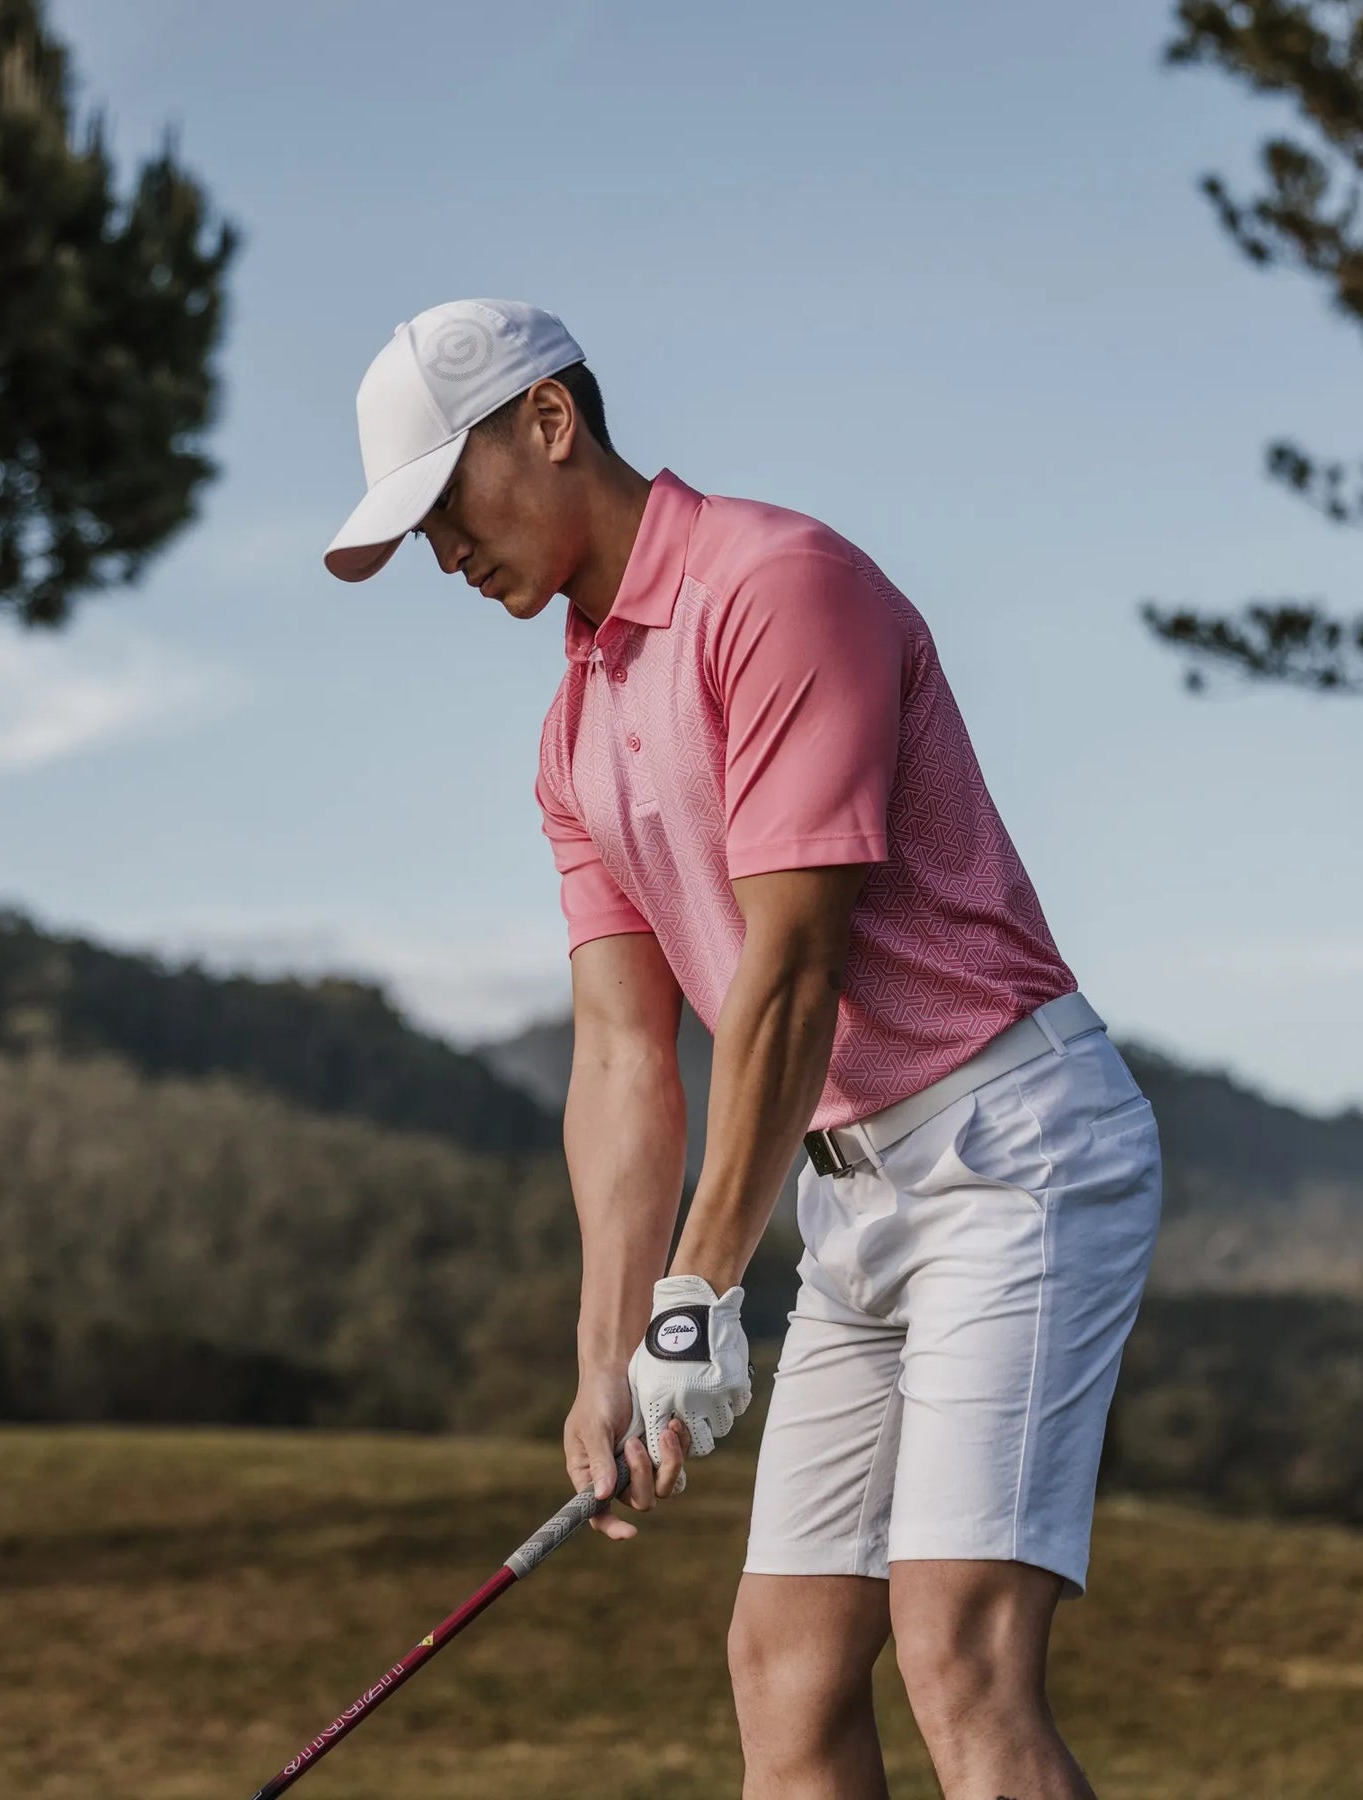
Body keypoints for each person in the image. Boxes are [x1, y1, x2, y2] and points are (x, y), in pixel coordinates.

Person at [322, 297, 1163, 1800]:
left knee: (959, 1655)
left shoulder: (777, 588)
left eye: (445, 502)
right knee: (784, 1673)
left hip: (1010, 1152)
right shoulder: (571, 730)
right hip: (852, 1202)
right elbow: (618, 1055)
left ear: (550, 422)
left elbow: (794, 968)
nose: (442, 551)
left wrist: (700, 1291)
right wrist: (608, 1350)